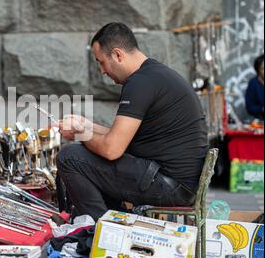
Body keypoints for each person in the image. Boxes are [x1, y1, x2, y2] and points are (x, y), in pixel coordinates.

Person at [55, 23, 208, 221]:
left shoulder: (140, 83)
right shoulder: (153, 75)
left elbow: (112, 149)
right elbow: (119, 136)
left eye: (101, 62)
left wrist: (79, 133)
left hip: (170, 186)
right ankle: (109, 222)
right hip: (176, 182)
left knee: (70, 157)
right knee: (89, 155)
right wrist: (86, 125)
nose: (102, 71)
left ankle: (96, 230)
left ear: (118, 55)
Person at [245, 54, 264, 120]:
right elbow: (250, 107)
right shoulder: (253, 84)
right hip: (259, 121)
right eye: (262, 69)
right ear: (258, 70)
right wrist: (262, 109)